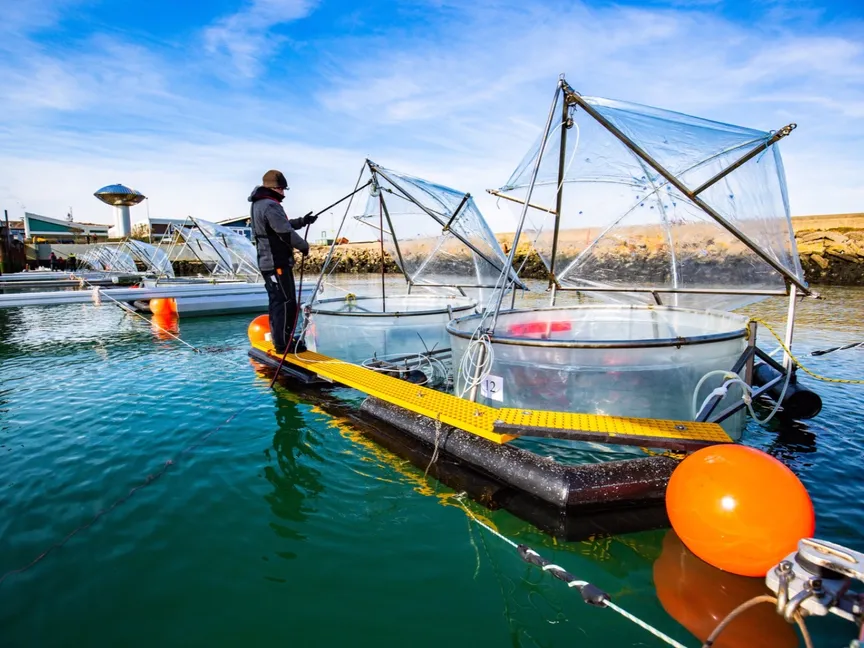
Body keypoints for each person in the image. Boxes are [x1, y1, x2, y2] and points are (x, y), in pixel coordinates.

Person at [249, 169, 318, 355]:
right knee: (287, 302)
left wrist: (303, 221)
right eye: (282, 189)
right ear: (275, 188)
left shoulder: (260, 203)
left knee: (277, 302)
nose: (284, 193)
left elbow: (280, 225)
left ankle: (281, 339)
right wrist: (303, 246)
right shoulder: (271, 206)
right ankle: (284, 344)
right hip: (276, 262)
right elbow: (284, 232)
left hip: (268, 263)